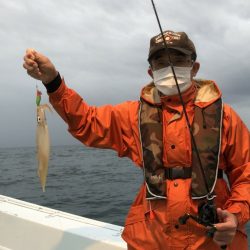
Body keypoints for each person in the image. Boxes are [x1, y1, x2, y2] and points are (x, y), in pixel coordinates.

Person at [23, 30, 249, 250]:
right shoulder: (131, 115)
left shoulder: (225, 117)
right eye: (161, 62)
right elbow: (86, 122)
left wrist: (236, 215)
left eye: (179, 60)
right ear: (151, 72)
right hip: (152, 238)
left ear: (194, 67)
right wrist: (53, 82)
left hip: (211, 239)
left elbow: (246, 175)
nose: (169, 68)